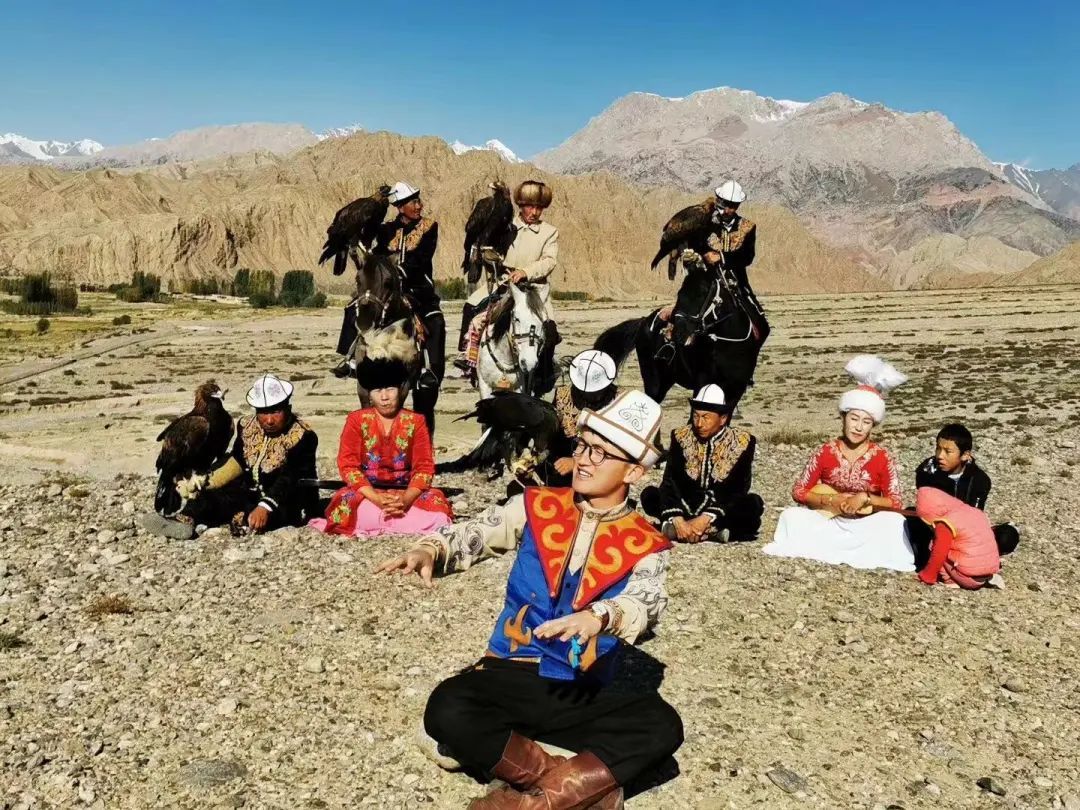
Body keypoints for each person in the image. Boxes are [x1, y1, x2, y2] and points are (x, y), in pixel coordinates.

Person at [375, 390, 683, 809]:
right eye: (583, 446)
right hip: (513, 670)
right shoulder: (536, 505)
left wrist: (599, 616)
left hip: (581, 687)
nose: (584, 459)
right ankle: (576, 785)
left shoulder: (647, 543)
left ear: (634, 471)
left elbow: (645, 600)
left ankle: (530, 802)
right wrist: (431, 549)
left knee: (662, 724)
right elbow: (481, 530)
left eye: (600, 453)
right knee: (447, 706)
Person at [762, 356, 914, 571]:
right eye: (854, 418)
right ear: (843, 417)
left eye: (866, 421)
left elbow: (896, 502)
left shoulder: (882, 457)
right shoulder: (825, 451)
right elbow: (799, 491)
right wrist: (831, 499)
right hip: (829, 519)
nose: (858, 427)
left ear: (873, 425)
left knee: (895, 524)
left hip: (866, 524)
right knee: (791, 516)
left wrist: (865, 498)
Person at [141, 374, 319, 540]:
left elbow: (290, 477)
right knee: (210, 498)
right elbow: (238, 460)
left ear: (288, 409)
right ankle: (182, 522)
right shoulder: (247, 426)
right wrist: (206, 481)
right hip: (249, 493)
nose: (269, 420)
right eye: (264, 412)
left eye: (276, 411)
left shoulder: (303, 436)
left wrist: (265, 506)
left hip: (285, 498)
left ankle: (238, 520)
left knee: (266, 516)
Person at [310, 355, 453, 537]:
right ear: (369, 394)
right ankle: (399, 523)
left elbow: (424, 468)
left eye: (390, 389)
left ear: (401, 390)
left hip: (406, 492)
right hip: (367, 492)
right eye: (377, 391)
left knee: (436, 506)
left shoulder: (416, 421)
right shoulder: (356, 420)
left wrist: (406, 499)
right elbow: (348, 466)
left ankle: (382, 522)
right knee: (347, 502)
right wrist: (376, 498)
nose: (384, 397)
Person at [458, 180, 560, 395]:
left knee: (550, 332)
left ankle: (543, 375)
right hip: (503, 284)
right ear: (520, 205)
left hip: (534, 290)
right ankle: (467, 358)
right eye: (530, 206)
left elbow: (549, 261)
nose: (534, 212)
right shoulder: (505, 225)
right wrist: (489, 257)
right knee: (471, 307)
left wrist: (526, 272)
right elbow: (493, 247)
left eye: (539, 208)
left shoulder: (549, 232)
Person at [640, 384, 764, 543]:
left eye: (706, 417)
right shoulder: (680, 436)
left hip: (719, 509)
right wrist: (677, 519)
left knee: (753, 504)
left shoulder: (743, 442)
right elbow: (670, 481)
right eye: (695, 416)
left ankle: (683, 530)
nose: (699, 423)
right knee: (650, 494)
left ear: (723, 419)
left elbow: (737, 487)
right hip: (684, 505)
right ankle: (710, 533)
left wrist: (706, 518)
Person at [374, 181, 445, 431]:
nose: (419, 206)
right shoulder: (385, 230)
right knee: (357, 306)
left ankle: (430, 374)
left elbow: (422, 259)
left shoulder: (429, 227)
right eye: (414, 202)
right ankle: (350, 359)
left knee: (435, 321)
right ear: (400, 206)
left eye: (418, 201)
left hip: (419, 293)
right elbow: (377, 254)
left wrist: (398, 272)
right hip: (390, 293)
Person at [659, 179, 767, 340]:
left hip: (736, 282)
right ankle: (672, 340)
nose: (728, 209)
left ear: (738, 205)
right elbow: (695, 246)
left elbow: (747, 257)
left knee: (761, 326)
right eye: (726, 204)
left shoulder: (748, 227)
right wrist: (694, 257)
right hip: (704, 279)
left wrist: (721, 257)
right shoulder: (704, 221)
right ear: (719, 201)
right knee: (684, 319)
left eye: (733, 205)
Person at [908, 423, 1019, 566]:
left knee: (1006, 538)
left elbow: (975, 515)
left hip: (963, 531)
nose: (940, 456)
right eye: (938, 448)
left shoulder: (979, 480)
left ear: (965, 455)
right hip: (934, 528)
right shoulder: (926, 472)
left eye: (948, 451)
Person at [544, 349, 619, 486]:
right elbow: (551, 438)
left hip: (600, 478)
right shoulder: (562, 395)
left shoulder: (618, 403)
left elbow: (618, 451)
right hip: (562, 473)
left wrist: (576, 462)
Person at [914, 487, 1002, 589]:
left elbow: (939, 552)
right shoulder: (976, 513)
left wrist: (928, 576)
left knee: (935, 544)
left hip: (969, 578)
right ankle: (986, 579)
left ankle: (949, 580)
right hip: (989, 572)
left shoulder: (946, 522)